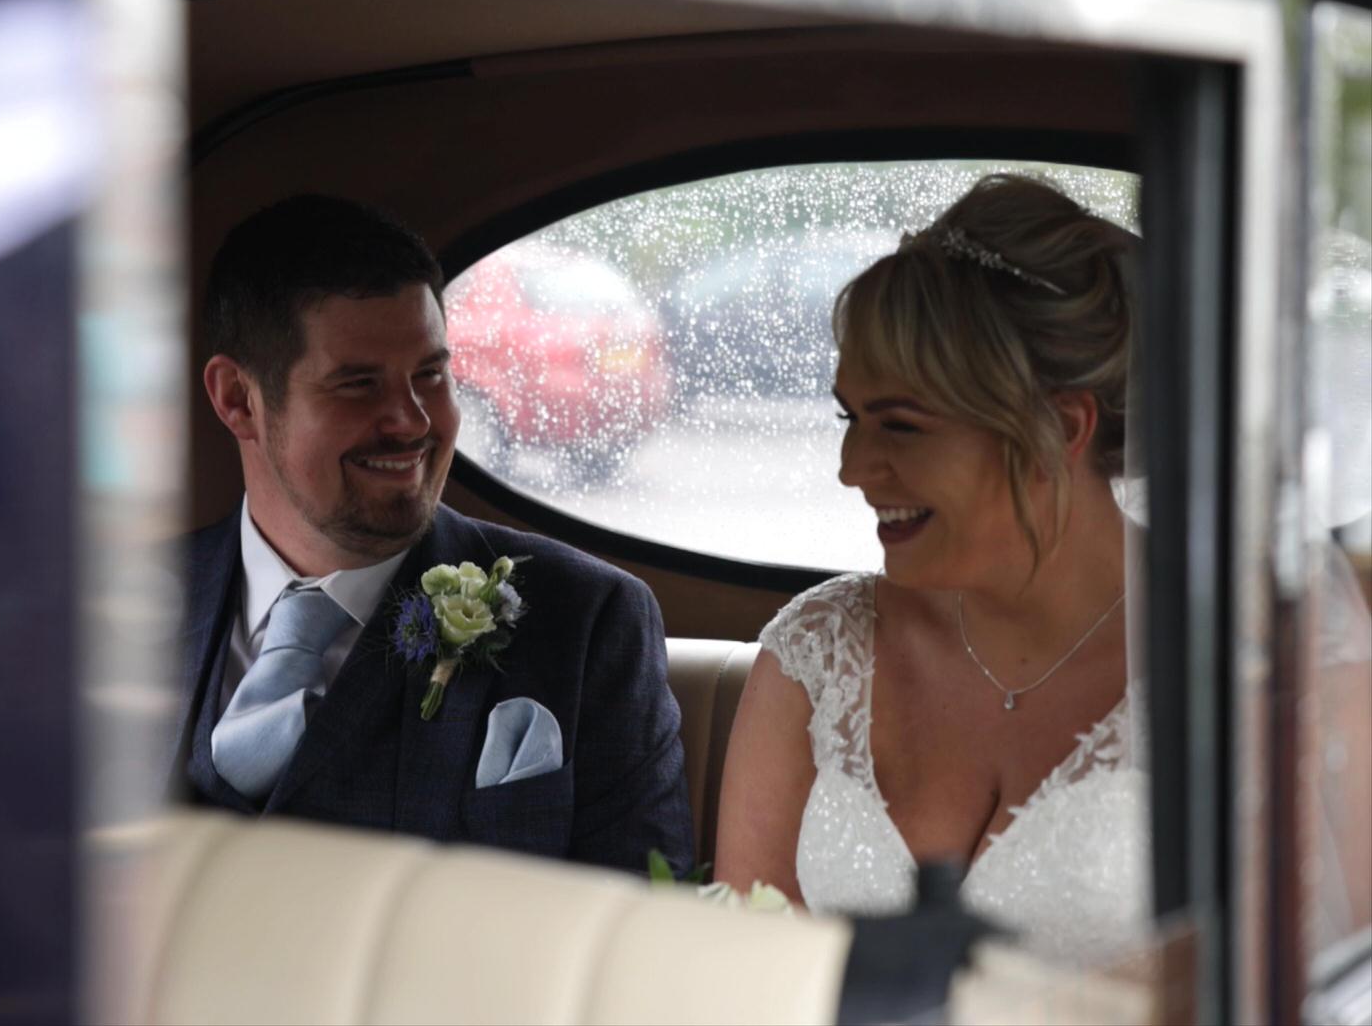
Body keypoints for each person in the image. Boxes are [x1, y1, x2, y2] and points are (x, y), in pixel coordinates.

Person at [176, 194, 694, 874]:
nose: (412, 421)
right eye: (357, 385)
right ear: (238, 399)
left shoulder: (588, 622)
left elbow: (645, 930)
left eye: (431, 374)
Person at [714, 174, 1147, 962]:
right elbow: (741, 978)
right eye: (850, 418)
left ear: (1061, 424)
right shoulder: (817, 652)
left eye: (901, 425)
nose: (852, 468)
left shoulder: (1235, 664)